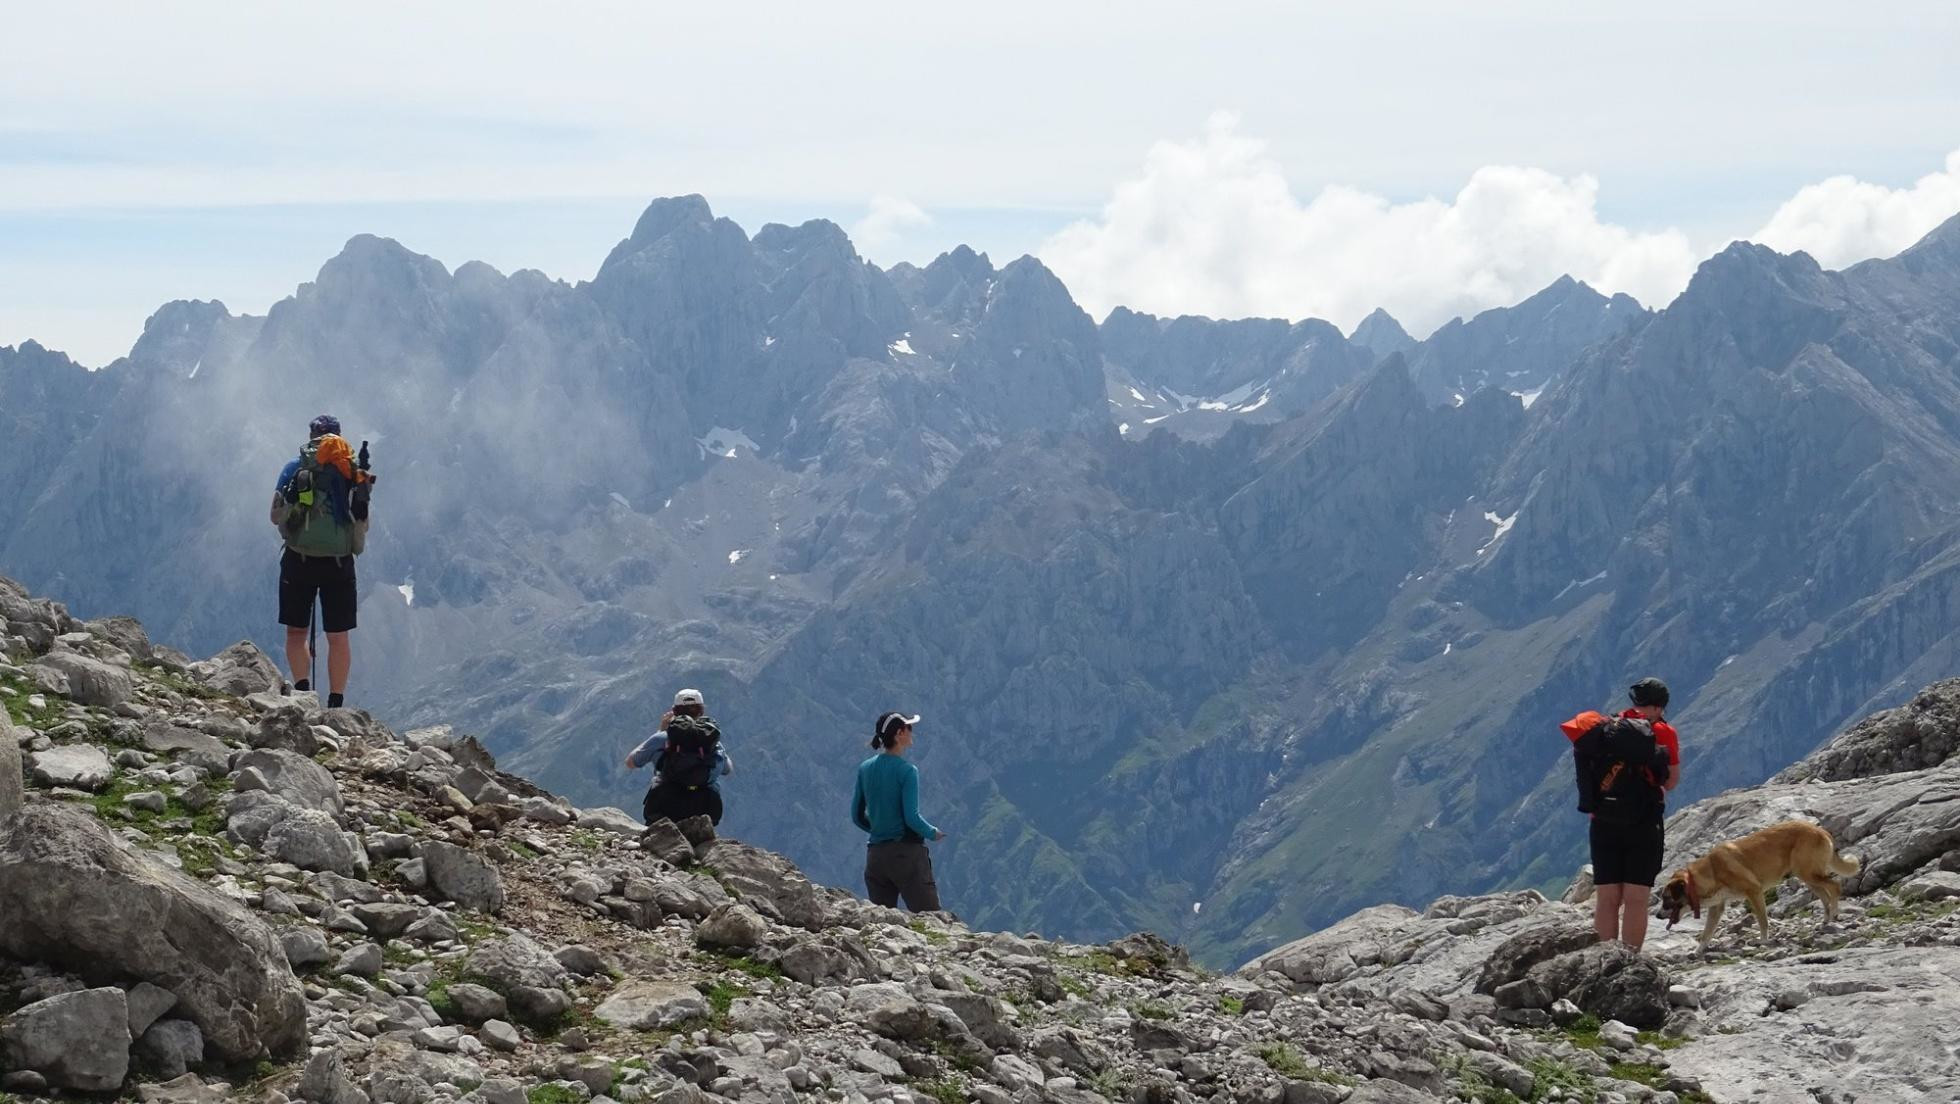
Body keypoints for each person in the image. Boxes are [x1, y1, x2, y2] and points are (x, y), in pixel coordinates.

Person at [1563, 677, 1680, 949]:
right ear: (1659, 706)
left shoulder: (1606, 728)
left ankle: (1603, 959)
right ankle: (1629, 961)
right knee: (1636, 899)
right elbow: (1671, 782)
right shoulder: (1662, 731)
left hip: (1603, 821)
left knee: (1607, 899)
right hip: (1644, 822)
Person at [270, 414, 371, 709]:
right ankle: (336, 705)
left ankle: (303, 695)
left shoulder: (295, 467)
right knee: (338, 636)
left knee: (296, 632)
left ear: (311, 437)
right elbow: (363, 522)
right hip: (339, 563)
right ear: (339, 437)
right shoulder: (352, 471)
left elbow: (275, 515)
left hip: (299, 559)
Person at [851, 711, 946, 912]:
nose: (912, 732)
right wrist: (933, 832)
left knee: (883, 922)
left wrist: (879, 828)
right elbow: (911, 817)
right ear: (899, 734)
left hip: (875, 857)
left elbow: (856, 816)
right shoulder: (907, 771)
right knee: (931, 920)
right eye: (909, 728)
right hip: (906, 855)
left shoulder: (865, 768)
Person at [625, 688, 733, 825]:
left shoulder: (662, 738)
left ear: (674, 711)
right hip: (705, 808)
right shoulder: (712, 742)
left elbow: (631, 762)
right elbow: (727, 770)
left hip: (664, 807)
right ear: (701, 711)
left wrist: (660, 731)